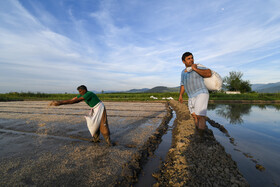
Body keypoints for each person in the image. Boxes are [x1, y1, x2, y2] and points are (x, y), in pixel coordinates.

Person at [179, 52, 212, 141]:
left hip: (201, 93)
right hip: (191, 96)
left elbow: (209, 73)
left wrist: (195, 69)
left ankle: (200, 137)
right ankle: (198, 133)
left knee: (200, 116)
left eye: (192, 58)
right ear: (183, 61)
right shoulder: (183, 72)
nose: (191, 60)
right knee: (194, 115)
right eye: (188, 58)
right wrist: (181, 95)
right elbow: (182, 84)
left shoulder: (197, 66)